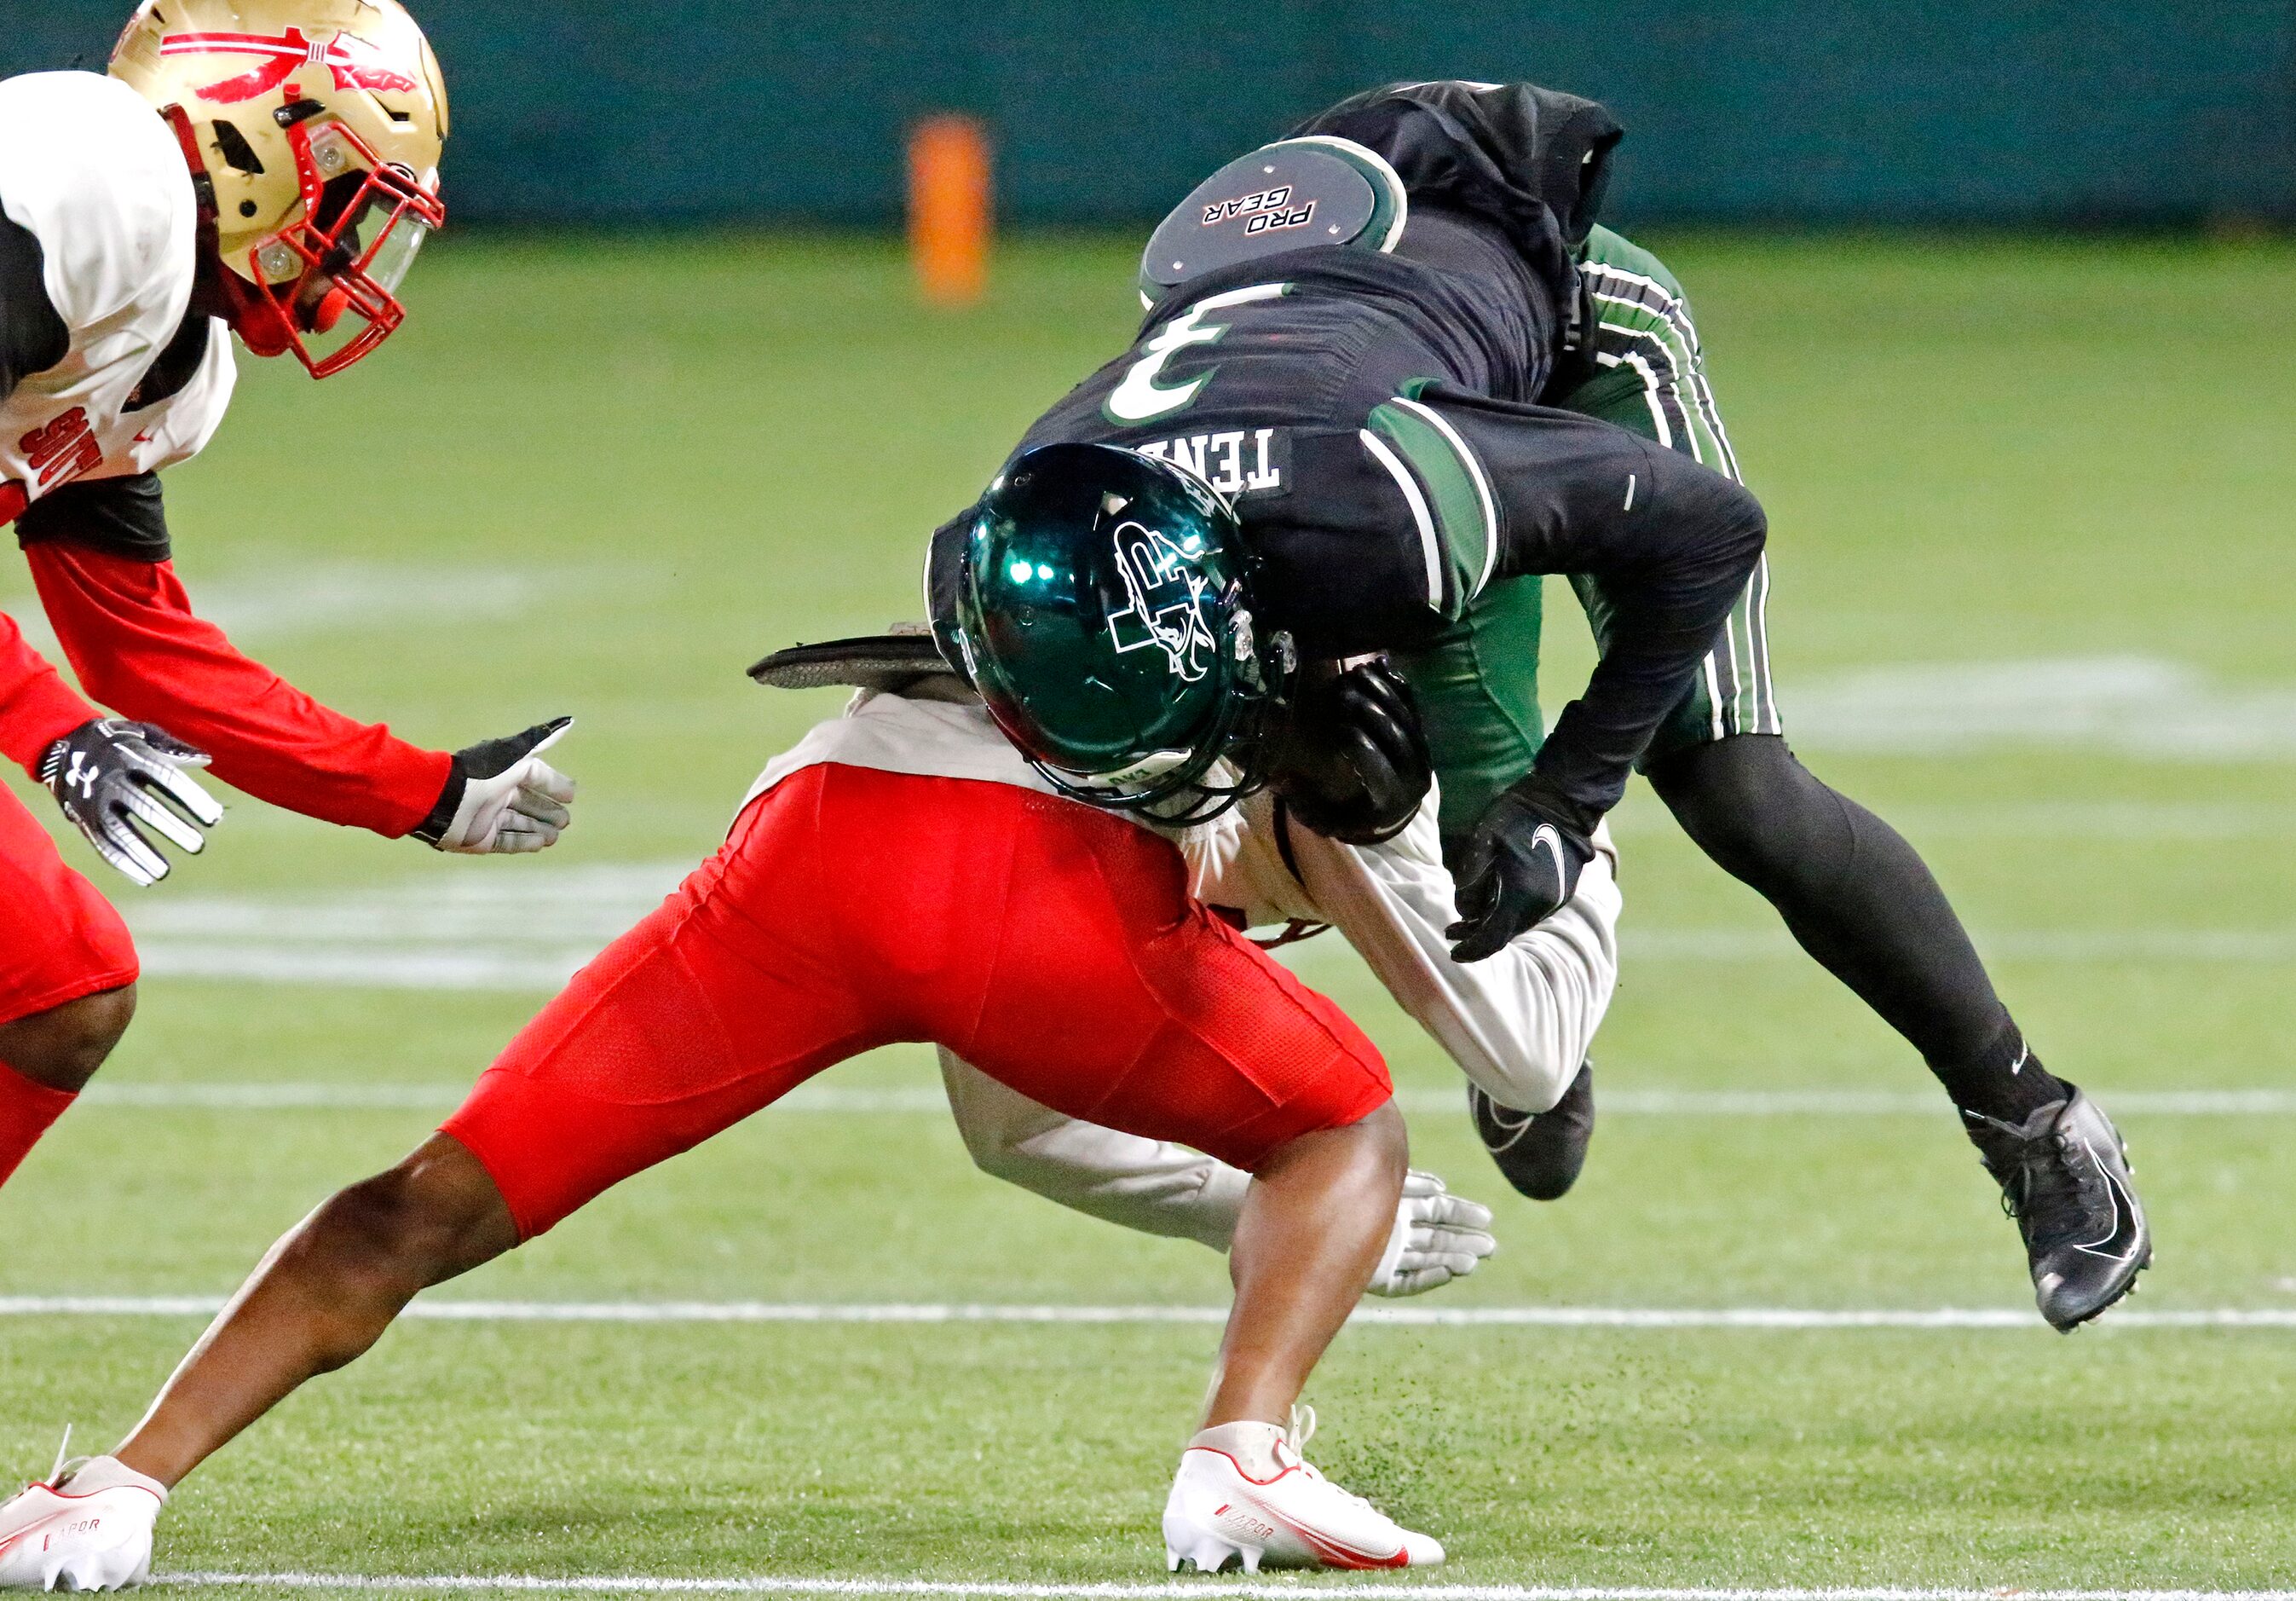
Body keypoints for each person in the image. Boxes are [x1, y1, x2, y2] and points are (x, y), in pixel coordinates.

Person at [0, 454, 1491, 1589]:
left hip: (815, 841)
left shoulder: (1109, 526)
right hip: (1041, 903)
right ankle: (1240, 1452)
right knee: (1340, 1121)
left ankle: (119, 1482)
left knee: (433, 1199)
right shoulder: (1303, 609)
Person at [943, 81, 2148, 1328]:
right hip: (1380, 404)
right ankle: (1539, 997)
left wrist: (1564, 801)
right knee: (1467, 882)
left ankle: (2035, 1125)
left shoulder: (1371, 513)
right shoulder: (1001, 564)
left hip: (1552, 347)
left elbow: (1706, 534)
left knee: (1730, 779)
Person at [0, 0, 577, 1193]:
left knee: (55, 981)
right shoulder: (90, 180)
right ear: (261, 136)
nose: (358, 245)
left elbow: (146, 655)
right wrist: (46, 731)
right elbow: (88, 697)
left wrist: (428, 793)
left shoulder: (168, 345)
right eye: (355, 199)